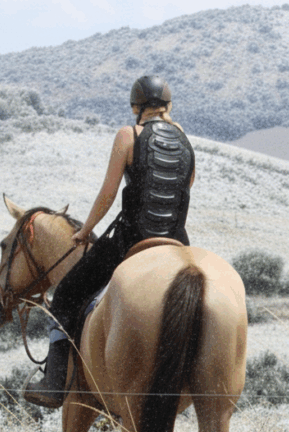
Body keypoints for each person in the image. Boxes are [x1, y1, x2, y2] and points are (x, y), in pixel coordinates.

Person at [24, 75, 196, 408]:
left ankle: (54, 383)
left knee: (66, 294)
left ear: (136, 107)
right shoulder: (184, 139)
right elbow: (185, 186)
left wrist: (86, 230)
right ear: (168, 107)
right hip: (177, 240)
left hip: (132, 238)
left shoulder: (127, 135)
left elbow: (108, 193)